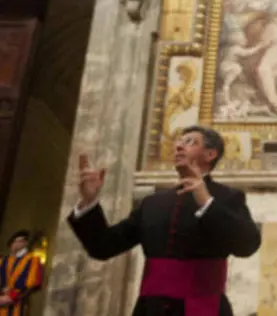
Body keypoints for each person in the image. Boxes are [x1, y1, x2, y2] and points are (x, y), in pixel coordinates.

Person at [68, 125, 262, 316]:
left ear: (210, 154)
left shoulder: (228, 197)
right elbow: (103, 247)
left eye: (190, 142)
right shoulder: (152, 203)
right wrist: (89, 201)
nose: (178, 146)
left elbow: (247, 245)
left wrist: (205, 200)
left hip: (205, 309)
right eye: (179, 142)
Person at [0, 230, 43, 316]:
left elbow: (32, 284)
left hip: (18, 304)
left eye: (19, 241)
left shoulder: (33, 260)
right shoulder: (3, 261)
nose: (15, 244)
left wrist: (14, 297)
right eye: (14, 242)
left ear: (25, 243)